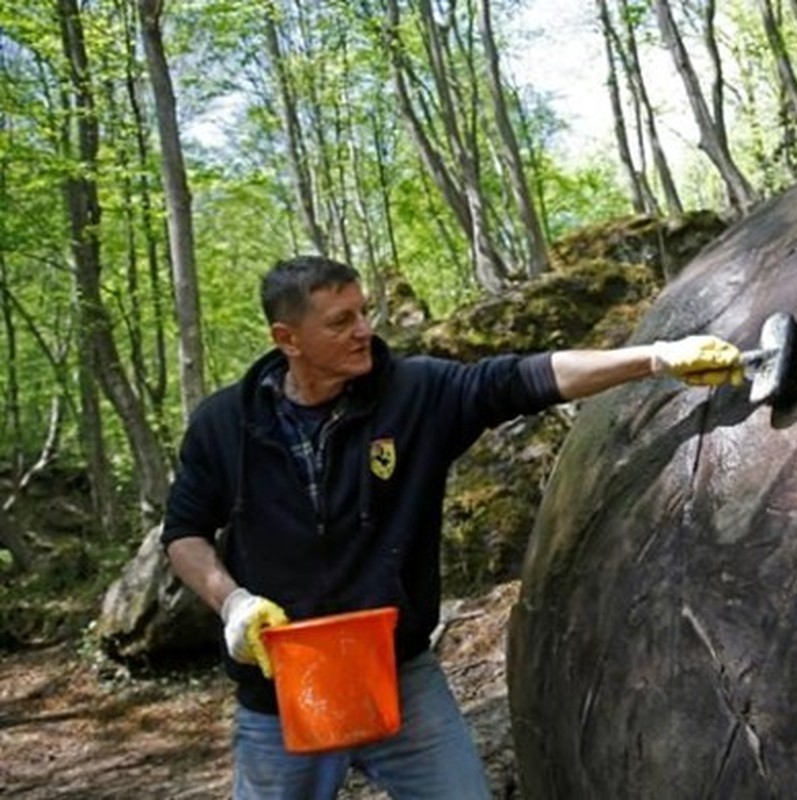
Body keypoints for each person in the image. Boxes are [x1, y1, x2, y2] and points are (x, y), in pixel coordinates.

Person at [162, 255, 743, 798]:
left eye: (365, 311)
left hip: (400, 675)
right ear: (287, 339)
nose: (365, 329)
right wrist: (232, 602)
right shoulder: (224, 425)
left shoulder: (414, 392)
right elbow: (184, 534)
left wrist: (655, 358)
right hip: (281, 696)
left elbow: (526, 378)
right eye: (341, 321)